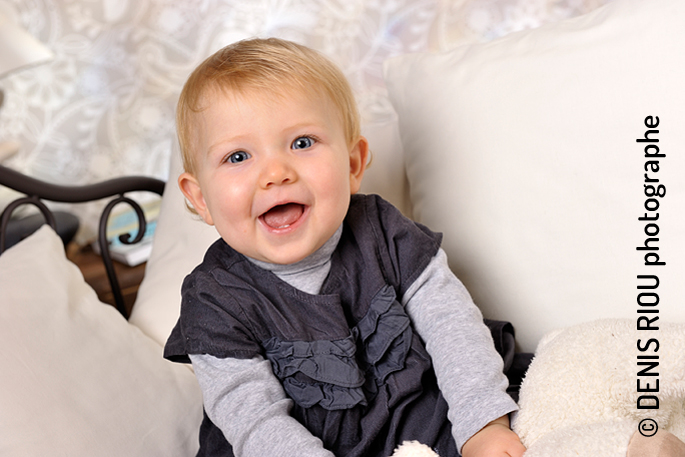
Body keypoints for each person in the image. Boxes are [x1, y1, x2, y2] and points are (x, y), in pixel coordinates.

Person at [164, 37, 526, 457]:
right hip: (289, 449)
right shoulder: (214, 300)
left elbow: (452, 327)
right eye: (238, 156)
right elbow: (255, 422)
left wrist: (481, 424)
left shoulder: (381, 231)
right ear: (201, 198)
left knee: (533, 402)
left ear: (353, 165)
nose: (275, 173)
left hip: (416, 419)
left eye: (302, 143)